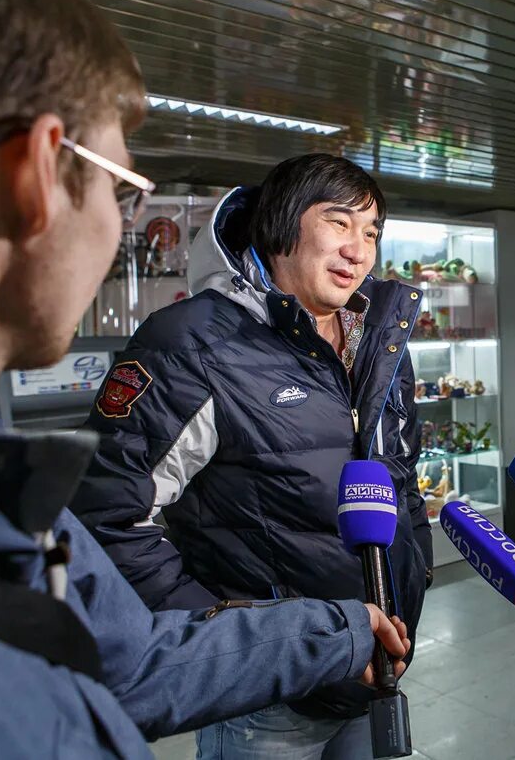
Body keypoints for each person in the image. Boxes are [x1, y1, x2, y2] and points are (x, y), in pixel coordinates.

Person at [0, 0, 408, 757]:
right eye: (123, 188)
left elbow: (129, 660)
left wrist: (331, 632)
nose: (122, 230)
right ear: (36, 175)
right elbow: (124, 530)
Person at [71, 153, 431, 758]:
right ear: (283, 225)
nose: (359, 250)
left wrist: (408, 586)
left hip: (377, 668)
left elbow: (401, 480)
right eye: (339, 222)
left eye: (371, 232)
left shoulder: (379, 341)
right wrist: (238, 645)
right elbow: (106, 515)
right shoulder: (194, 343)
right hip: (269, 701)